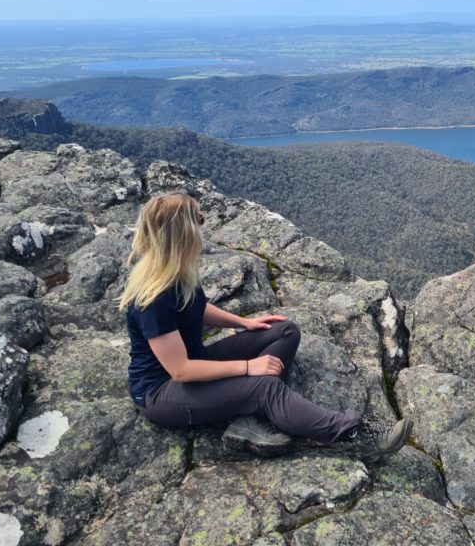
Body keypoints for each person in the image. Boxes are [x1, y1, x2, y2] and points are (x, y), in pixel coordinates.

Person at [119, 191, 411, 458]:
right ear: (182, 233)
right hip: (163, 392)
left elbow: (195, 308)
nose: (203, 223)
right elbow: (180, 370)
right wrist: (248, 369)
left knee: (283, 330)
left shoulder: (174, 271)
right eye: (198, 219)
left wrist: (245, 323)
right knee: (264, 388)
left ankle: (247, 419)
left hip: (196, 363)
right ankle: (356, 437)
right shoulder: (153, 298)